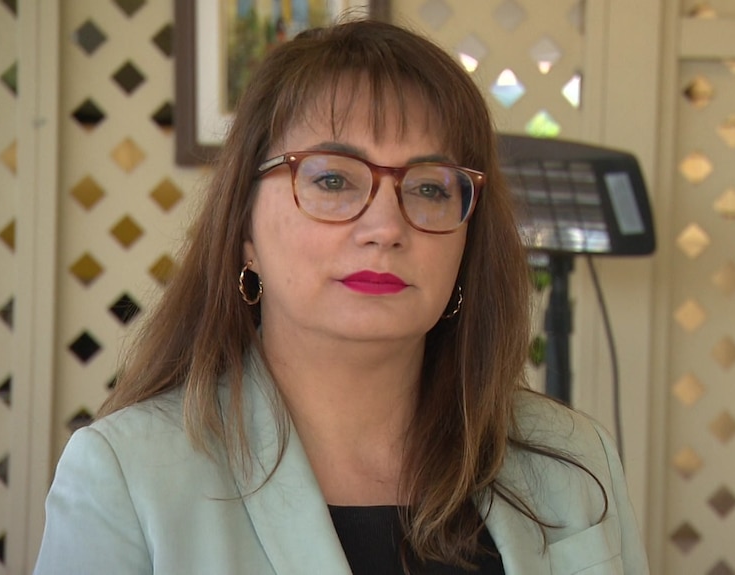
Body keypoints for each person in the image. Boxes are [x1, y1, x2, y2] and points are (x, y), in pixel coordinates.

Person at [34, 18, 649, 575]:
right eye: (332, 179)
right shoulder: (127, 475)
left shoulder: (574, 460)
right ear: (244, 232)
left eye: (430, 190)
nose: (386, 226)